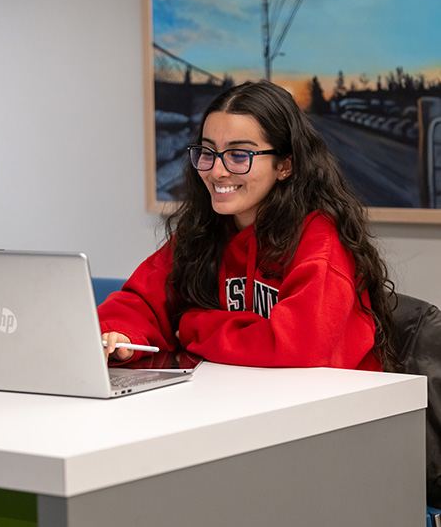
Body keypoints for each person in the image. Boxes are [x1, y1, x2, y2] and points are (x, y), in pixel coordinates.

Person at [99, 79, 398, 371]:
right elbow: (140, 301)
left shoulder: (320, 240)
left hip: (336, 412)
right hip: (247, 401)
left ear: (284, 165)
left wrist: (194, 325)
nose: (217, 171)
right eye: (207, 152)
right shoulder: (202, 232)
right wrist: (120, 335)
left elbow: (299, 345)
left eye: (239, 155)